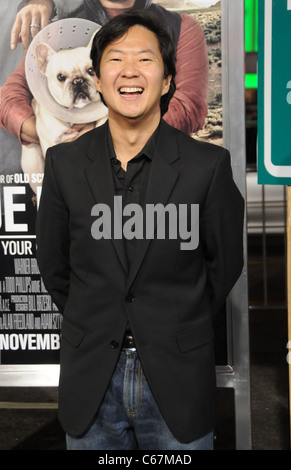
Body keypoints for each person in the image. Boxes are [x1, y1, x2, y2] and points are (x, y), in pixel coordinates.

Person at [36, 10, 244, 450]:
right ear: (97, 79)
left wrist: (173, 321)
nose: (130, 71)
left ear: (168, 80)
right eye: (115, 59)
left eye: (145, 59)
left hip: (176, 377)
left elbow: (223, 265)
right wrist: (95, 316)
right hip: (92, 374)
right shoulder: (63, 164)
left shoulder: (207, 167)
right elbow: (54, 264)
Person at [0, 0, 209, 144]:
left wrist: (107, 138)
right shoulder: (61, 31)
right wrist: (50, 133)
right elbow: (8, 99)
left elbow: (188, 108)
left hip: (155, 181)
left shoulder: (182, 28)